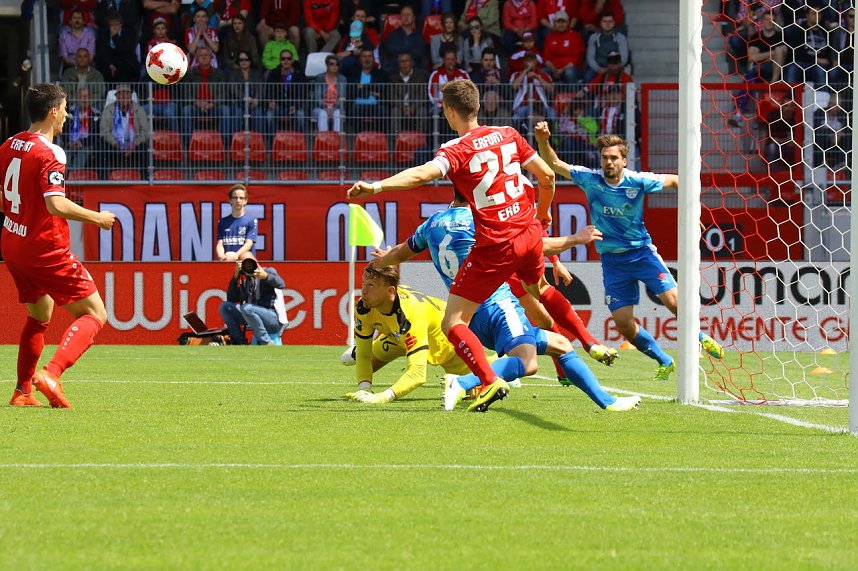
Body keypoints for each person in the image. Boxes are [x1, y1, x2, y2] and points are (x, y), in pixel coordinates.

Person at [347, 78, 556, 413]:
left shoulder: (456, 151)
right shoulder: (509, 134)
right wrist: (542, 215)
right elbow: (548, 177)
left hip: (493, 249)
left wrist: (375, 187)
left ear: (448, 110)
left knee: (453, 322)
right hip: (526, 237)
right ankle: (568, 349)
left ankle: (479, 379)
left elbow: (420, 176)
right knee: (539, 300)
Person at [369, 190, 637, 412]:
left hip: (468, 316)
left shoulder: (432, 224)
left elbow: (401, 253)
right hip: (497, 304)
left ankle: (608, 402)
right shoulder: (483, 221)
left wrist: (383, 260)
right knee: (528, 362)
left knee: (560, 343)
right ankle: (463, 382)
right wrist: (576, 239)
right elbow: (536, 246)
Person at [534, 121, 725, 382]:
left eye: (614, 158)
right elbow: (555, 165)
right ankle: (664, 360)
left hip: (641, 254)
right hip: (613, 262)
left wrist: (694, 209)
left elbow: (679, 180)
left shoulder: (638, 180)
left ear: (624, 160)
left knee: (674, 302)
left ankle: (700, 338)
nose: (609, 162)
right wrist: (543, 141)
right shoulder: (591, 180)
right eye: (605, 158)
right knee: (624, 324)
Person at [0, 83, 116, 408]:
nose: (67, 114)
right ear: (53, 112)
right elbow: (56, 204)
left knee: (40, 314)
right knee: (95, 313)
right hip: (43, 248)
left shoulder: (10, 144)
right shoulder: (50, 152)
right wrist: (97, 218)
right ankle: (52, 372)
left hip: (12, 242)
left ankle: (23, 391)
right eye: (64, 108)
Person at [343, 264, 487, 405]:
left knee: (474, 389)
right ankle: (357, 352)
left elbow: (418, 375)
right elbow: (363, 354)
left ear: (390, 291)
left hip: (448, 346)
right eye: (364, 283)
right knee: (362, 360)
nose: (363, 291)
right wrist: (364, 390)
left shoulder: (410, 316)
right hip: (397, 338)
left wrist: (383, 397)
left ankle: (505, 362)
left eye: (371, 286)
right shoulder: (364, 306)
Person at [219, 255, 286, 345]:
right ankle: (239, 341)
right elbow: (231, 298)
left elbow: (281, 284)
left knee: (246, 308)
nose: (248, 265)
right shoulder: (247, 281)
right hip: (251, 315)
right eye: (244, 264)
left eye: (250, 262)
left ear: (255, 261)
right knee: (225, 306)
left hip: (272, 318)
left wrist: (266, 276)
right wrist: (235, 277)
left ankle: (266, 342)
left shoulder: (267, 271)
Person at [99, 83, 151, 175]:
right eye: (121, 94)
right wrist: (115, 143)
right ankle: (104, 178)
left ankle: (144, 178)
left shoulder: (139, 109)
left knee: (144, 148)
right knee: (102, 147)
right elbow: (104, 131)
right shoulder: (109, 109)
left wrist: (134, 144)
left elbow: (145, 132)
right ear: (117, 96)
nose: (124, 96)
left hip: (134, 143)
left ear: (131, 96)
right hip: (115, 143)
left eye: (127, 93)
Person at [216, 183, 258, 261]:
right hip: (228, 260)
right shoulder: (222, 222)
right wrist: (222, 256)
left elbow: (249, 244)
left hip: (245, 262)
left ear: (245, 201)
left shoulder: (251, 220)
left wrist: (236, 255)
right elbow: (220, 244)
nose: (238, 200)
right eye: (235, 198)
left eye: (241, 198)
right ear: (230, 200)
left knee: (247, 255)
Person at [313, 55, 347, 132]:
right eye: (332, 64)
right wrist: (325, 108)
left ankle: (336, 139)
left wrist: (334, 107)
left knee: (338, 113)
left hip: (337, 107)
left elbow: (343, 98)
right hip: (321, 106)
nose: (334, 66)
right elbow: (317, 97)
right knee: (322, 114)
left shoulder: (342, 79)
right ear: (327, 65)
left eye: (337, 64)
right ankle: (323, 139)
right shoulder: (320, 78)